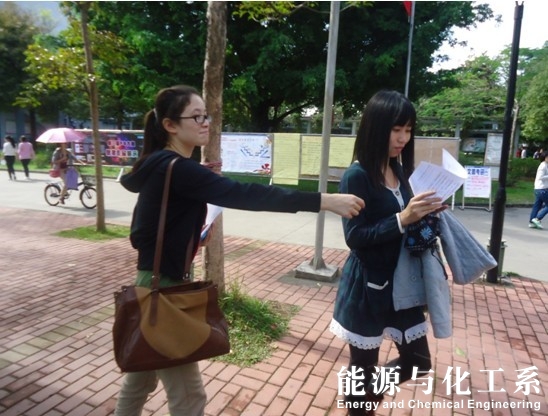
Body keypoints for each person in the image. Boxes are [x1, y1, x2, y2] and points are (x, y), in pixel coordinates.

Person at [114, 85, 365, 416]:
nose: (206, 122)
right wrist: (324, 200)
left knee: (140, 379)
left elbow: (141, 232)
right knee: (189, 397)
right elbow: (247, 194)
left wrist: (190, 236)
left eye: (206, 115)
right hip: (165, 291)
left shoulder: (160, 165)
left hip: (152, 282)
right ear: (170, 125)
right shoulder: (179, 169)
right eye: (196, 116)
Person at [329, 90, 445, 416]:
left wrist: (426, 210)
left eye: (408, 130)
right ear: (377, 127)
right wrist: (402, 218)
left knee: (418, 361)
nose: (403, 138)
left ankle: (364, 396)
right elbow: (355, 237)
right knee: (362, 365)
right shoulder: (357, 176)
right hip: (367, 286)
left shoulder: (400, 170)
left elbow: (408, 220)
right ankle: (359, 404)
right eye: (396, 130)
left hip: (402, 284)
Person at [528, 150, 548, 229]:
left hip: (539, 188)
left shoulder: (545, 165)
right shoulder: (543, 166)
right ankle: (537, 218)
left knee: (537, 206)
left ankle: (531, 222)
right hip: (542, 189)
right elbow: (540, 177)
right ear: (545, 157)